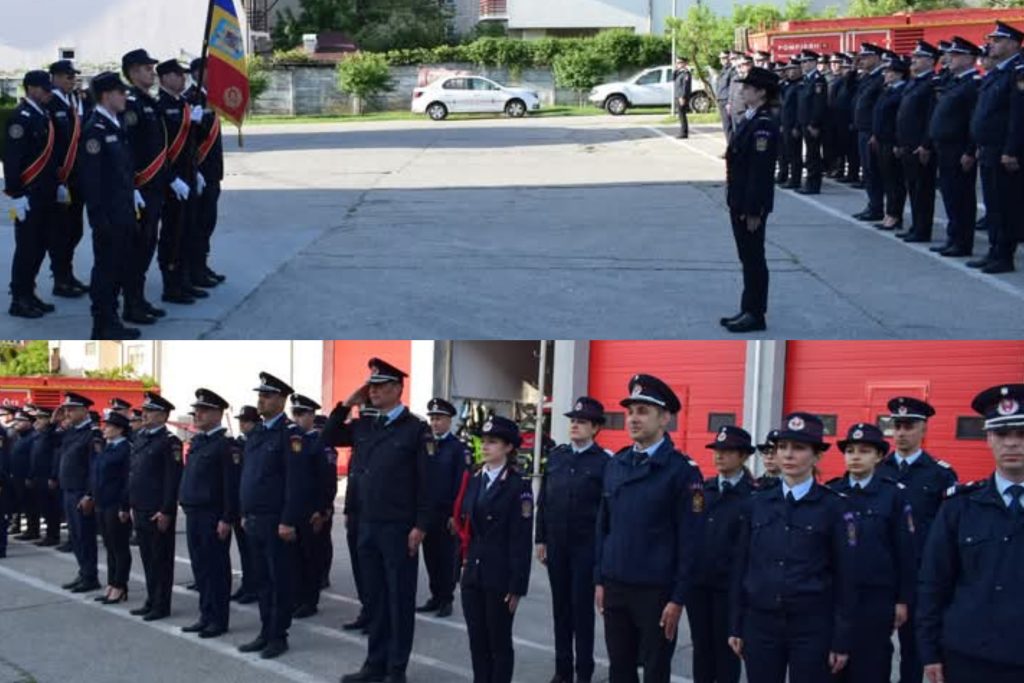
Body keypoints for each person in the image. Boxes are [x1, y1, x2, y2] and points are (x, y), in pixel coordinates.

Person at [325, 358, 432, 683]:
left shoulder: (416, 430)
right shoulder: (365, 425)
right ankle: (375, 663)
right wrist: (348, 403)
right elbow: (327, 435)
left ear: (397, 389)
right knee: (374, 598)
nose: (373, 391)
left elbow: (427, 482)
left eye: (380, 386)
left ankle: (396, 669)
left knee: (399, 599)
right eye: (370, 386)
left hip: (399, 527)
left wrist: (421, 525)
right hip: (367, 524)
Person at [595, 374, 705, 683]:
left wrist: (678, 597)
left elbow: (691, 541)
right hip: (616, 586)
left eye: (643, 411)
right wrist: (599, 579)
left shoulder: (682, 472)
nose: (633, 418)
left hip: (656, 592)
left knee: (655, 671)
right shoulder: (616, 464)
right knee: (620, 670)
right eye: (630, 411)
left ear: (665, 418)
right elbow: (604, 526)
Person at [728, 412, 853, 683]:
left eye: (799, 447)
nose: (788, 454)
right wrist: (736, 625)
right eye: (782, 447)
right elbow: (741, 566)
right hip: (761, 622)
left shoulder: (834, 507)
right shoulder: (756, 504)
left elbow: (846, 577)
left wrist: (841, 639)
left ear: (817, 456)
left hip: (811, 626)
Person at [918, 383, 1024, 683]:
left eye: (1021, 434)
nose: (1012, 444)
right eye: (1001, 434)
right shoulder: (959, 507)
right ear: (988, 438)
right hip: (968, 656)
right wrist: (930, 652)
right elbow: (934, 582)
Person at [875, 396, 956, 683]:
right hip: (882, 574)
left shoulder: (940, 474)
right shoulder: (878, 470)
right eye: (896, 426)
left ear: (924, 429)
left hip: (920, 574)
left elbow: (947, 532)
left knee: (914, 649)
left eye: (908, 426)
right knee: (873, 647)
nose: (900, 433)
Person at [826, 423, 916, 683]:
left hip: (876, 596)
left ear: (878, 457)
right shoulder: (832, 493)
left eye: (864, 451)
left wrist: (903, 599)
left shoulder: (893, 495)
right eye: (850, 451)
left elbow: (905, 551)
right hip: (835, 595)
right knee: (832, 666)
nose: (855, 456)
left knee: (871, 665)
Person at [535, 396, 609, 683]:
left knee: (581, 612)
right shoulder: (558, 456)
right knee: (560, 610)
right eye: (573, 421)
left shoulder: (604, 462)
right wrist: (541, 538)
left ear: (595, 428)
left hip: (585, 548)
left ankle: (584, 672)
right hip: (558, 545)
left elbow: (607, 511)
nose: (575, 425)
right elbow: (544, 500)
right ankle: (562, 670)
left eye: (582, 422)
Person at [455, 415, 533, 683]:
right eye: (484, 441)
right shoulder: (475, 479)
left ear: (508, 447)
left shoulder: (517, 485)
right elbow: (467, 527)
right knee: (477, 641)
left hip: (500, 576)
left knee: (498, 643)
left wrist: (517, 584)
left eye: (493, 442)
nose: (485, 446)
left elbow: (521, 539)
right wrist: (461, 566)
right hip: (473, 573)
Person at [237, 372, 308, 660]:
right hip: (254, 519)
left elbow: (296, 482)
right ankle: (265, 630)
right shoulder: (257, 433)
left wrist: (288, 520)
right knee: (262, 580)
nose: (261, 400)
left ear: (281, 400)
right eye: (260, 395)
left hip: (276, 520)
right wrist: (244, 512)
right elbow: (249, 476)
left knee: (279, 580)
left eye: (266, 396)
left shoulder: (290, 435)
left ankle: (279, 635)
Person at [688, 425, 755, 683]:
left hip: (730, 589)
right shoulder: (702, 490)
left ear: (743, 456)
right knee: (701, 649)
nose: (719, 455)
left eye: (727, 451)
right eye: (717, 450)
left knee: (728, 651)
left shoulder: (753, 496)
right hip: (699, 585)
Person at [78, 70, 141, 340]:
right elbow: (91, 181)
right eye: (120, 92)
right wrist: (98, 218)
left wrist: (133, 194)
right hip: (108, 216)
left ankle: (111, 320)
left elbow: (122, 169)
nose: (125, 96)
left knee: (118, 268)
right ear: (106, 96)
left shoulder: (115, 123)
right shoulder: (95, 130)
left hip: (123, 210)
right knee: (106, 270)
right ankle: (102, 323)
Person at [720, 66, 780, 334]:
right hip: (739, 199)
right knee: (747, 257)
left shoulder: (763, 125)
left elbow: (760, 172)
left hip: (750, 204)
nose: (742, 91)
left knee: (754, 258)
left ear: (762, 93)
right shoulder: (750, 118)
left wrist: (754, 209)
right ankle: (747, 308)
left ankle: (755, 314)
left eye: (747, 88)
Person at [179, 388, 239, 639]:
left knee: (216, 569)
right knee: (201, 568)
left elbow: (230, 485)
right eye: (196, 410)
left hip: (213, 515)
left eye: (203, 410)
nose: (197, 414)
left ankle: (218, 619)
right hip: (194, 513)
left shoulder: (224, 446)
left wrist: (227, 517)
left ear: (217, 414)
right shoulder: (199, 442)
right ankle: (205, 615)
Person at [966, 21, 1024, 274]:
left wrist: (1011, 150)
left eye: (998, 40)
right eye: (991, 40)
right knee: (993, 204)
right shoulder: (997, 73)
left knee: (1005, 205)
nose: (991, 44)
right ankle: (993, 250)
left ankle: (1004, 255)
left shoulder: (1018, 72)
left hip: (1003, 150)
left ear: (1013, 44)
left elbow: (1018, 116)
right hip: (989, 148)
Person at [3, 70, 57, 319]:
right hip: (28, 194)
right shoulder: (20, 117)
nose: (49, 93)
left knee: (40, 246)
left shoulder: (41, 114)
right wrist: (16, 194)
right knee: (26, 248)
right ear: (32, 89)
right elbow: (12, 159)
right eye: (45, 89)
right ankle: (19, 299)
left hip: (44, 193)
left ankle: (29, 292)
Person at [121, 49, 170, 319]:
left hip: (155, 186)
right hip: (141, 187)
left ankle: (138, 299)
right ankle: (131, 304)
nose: (153, 72)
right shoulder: (131, 103)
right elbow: (127, 151)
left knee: (148, 244)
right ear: (132, 72)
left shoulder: (148, 101)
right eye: (147, 68)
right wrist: (133, 188)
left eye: (152, 68)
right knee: (137, 248)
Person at [127, 392, 182, 622]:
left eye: (150, 411)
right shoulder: (141, 437)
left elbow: (172, 479)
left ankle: (161, 604)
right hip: (140, 507)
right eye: (145, 410)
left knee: (161, 560)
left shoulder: (169, 442)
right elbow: (134, 472)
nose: (145, 414)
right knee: (148, 558)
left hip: (157, 510)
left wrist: (167, 510)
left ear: (163, 416)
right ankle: (151, 599)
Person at [156, 59, 205, 301]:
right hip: (172, 181)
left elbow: (191, 144)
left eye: (184, 74)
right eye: (178, 74)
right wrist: (172, 178)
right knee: (172, 234)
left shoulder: (184, 104)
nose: (183, 78)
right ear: (165, 78)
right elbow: (158, 149)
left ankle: (184, 280)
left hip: (188, 176)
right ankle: (171, 285)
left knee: (188, 231)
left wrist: (196, 171)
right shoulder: (160, 106)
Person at [928, 37, 981, 258]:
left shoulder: (972, 85)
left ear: (970, 59)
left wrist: (970, 150)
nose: (950, 58)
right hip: (945, 146)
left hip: (958, 148)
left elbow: (974, 121)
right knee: (950, 195)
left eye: (956, 55)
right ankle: (953, 237)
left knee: (961, 196)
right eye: (951, 54)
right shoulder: (955, 82)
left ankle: (962, 242)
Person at [417, 398, 469, 619]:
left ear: (449, 421)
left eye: (439, 419)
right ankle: (435, 596)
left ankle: (446, 599)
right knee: (430, 556)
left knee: (446, 558)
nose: (435, 423)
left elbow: (462, 484)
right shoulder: (425, 444)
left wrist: (455, 515)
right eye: (432, 419)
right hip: (428, 511)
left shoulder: (458, 448)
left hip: (447, 513)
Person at [45, 60, 88, 299]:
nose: (72, 80)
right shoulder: (50, 103)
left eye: (73, 76)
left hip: (77, 177)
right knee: (61, 232)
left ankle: (68, 274)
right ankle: (60, 279)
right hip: (60, 178)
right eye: (68, 76)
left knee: (75, 230)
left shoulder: (74, 101)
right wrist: (57, 180)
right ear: (54, 78)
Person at [289, 392, 331, 619]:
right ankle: (297, 597)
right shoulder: (292, 440)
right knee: (295, 558)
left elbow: (326, 481)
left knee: (311, 557)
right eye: (294, 414)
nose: (296, 419)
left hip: (312, 510)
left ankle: (309, 600)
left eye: (301, 414)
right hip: (295, 509)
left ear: (311, 416)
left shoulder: (319, 443)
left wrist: (322, 509)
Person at [184, 58, 226, 285]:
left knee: (208, 222)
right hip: (199, 172)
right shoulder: (190, 99)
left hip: (212, 172)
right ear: (198, 73)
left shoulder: (210, 98)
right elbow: (187, 141)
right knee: (198, 224)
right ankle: (194, 270)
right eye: (211, 71)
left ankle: (202, 264)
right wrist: (195, 169)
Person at [57, 392, 103, 592]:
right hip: (68, 490)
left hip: (81, 492)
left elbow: (95, 467)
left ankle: (90, 576)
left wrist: (90, 494)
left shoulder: (92, 434)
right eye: (66, 409)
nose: (67, 413)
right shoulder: (71, 431)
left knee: (85, 536)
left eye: (72, 409)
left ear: (84, 411)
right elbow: (51, 441)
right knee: (75, 536)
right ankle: (83, 572)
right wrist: (54, 422)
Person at [896, 41, 940, 243]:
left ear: (931, 61)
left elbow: (931, 117)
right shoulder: (915, 82)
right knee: (913, 188)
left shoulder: (931, 84)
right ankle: (915, 226)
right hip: (907, 144)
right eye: (913, 57)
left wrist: (926, 144)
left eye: (918, 57)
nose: (913, 60)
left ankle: (923, 229)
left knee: (923, 190)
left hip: (919, 146)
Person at [92, 410, 132, 605]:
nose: (104, 429)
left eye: (108, 426)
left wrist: (124, 506)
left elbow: (127, 480)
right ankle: (111, 583)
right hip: (103, 503)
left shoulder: (125, 449)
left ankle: (120, 585)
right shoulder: (107, 448)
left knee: (119, 546)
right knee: (109, 546)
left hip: (116, 504)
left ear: (119, 429)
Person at [872, 53, 909, 233]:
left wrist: (897, 142)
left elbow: (899, 120)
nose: (885, 75)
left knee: (895, 180)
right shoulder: (888, 90)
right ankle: (889, 213)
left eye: (889, 72)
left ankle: (895, 215)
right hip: (882, 140)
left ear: (899, 74)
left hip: (892, 141)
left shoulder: (901, 92)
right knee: (887, 178)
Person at [852, 44, 886, 221]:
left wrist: (875, 132)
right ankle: (873, 205)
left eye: (866, 57)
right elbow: (850, 88)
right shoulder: (867, 77)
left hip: (871, 131)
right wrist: (853, 69)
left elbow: (879, 109)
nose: (862, 61)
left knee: (874, 171)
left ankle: (877, 207)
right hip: (862, 129)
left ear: (877, 58)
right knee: (867, 170)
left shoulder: (881, 78)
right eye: (861, 58)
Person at [230, 404, 259, 604]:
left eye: (246, 421)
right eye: (241, 421)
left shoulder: (257, 442)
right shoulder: (238, 443)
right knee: (244, 550)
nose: (242, 424)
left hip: (252, 506)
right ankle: (247, 584)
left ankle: (254, 586)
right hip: (239, 503)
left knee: (253, 551)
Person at [797, 50, 828, 194]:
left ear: (814, 62)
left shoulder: (818, 80)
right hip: (805, 122)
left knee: (813, 155)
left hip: (812, 124)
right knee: (810, 155)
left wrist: (814, 124)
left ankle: (813, 185)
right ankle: (809, 182)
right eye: (802, 62)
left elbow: (819, 104)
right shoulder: (807, 79)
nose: (803, 65)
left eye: (806, 61)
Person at [29, 407, 61, 546]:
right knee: (44, 507)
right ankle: (48, 534)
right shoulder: (39, 435)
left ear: (49, 420)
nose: (37, 421)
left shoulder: (52, 434)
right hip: (39, 476)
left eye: (41, 418)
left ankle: (53, 535)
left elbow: (55, 457)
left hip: (47, 477)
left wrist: (53, 476)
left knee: (51, 508)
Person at [8, 410, 37, 540]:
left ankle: (33, 530)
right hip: (17, 476)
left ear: (29, 423)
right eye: (16, 420)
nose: (16, 423)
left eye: (20, 421)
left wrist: (30, 476)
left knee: (31, 504)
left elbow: (33, 458)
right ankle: (26, 529)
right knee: (22, 503)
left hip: (26, 476)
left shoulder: (32, 437)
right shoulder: (19, 437)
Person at [777, 60, 803, 189]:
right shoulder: (787, 85)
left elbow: (800, 108)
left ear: (799, 70)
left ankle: (795, 179)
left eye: (793, 69)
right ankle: (784, 175)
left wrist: (797, 126)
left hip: (793, 124)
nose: (790, 72)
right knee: (784, 152)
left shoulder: (800, 85)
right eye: (788, 69)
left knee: (794, 154)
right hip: (785, 123)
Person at [714, 52, 734, 142]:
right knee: (726, 125)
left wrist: (729, 102)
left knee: (728, 125)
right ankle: (730, 144)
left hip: (726, 100)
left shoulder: (731, 70)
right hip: (721, 99)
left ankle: (731, 146)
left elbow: (731, 87)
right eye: (721, 58)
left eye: (725, 58)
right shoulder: (723, 70)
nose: (722, 60)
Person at [673, 58, 692, 139]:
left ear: (684, 63)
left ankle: (684, 132)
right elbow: (673, 78)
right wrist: (676, 69)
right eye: (677, 63)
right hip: (678, 96)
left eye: (680, 62)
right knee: (680, 115)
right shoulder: (679, 72)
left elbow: (685, 86)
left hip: (682, 97)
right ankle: (683, 131)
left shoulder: (686, 73)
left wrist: (682, 97)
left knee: (682, 115)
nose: (678, 64)